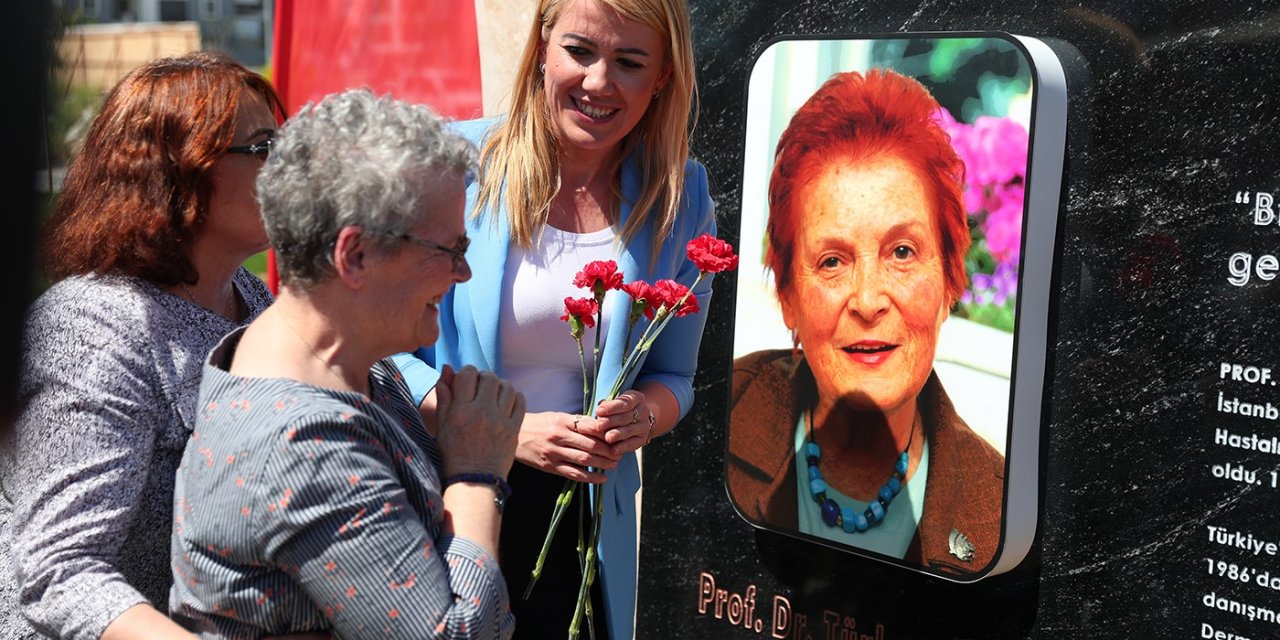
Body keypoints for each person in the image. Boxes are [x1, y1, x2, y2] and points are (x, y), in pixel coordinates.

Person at [392, 0, 711, 636]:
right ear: (541, 47)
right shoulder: (452, 162)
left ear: (663, 78)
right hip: (440, 507)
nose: (598, 82)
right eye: (580, 51)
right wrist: (503, 435)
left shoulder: (680, 194)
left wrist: (642, 417)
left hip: (581, 527)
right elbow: (375, 351)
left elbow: (676, 378)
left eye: (628, 62)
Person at [168, 88, 522, 639]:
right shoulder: (302, 444)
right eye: (449, 251)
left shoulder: (345, 362)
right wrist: (477, 473)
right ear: (354, 255)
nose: (463, 274)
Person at [0, 52, 281, 639]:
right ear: (180, 170)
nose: (290, 169)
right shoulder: (92, 328)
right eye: (264, 148)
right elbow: (60, 572)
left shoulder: (250, 296)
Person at [725, 69, 1006, 577]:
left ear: (949, 281)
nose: (869, 300)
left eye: (902, 252)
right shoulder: (715, 414)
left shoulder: (1000, 509)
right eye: (832, 261)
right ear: (787, 295)